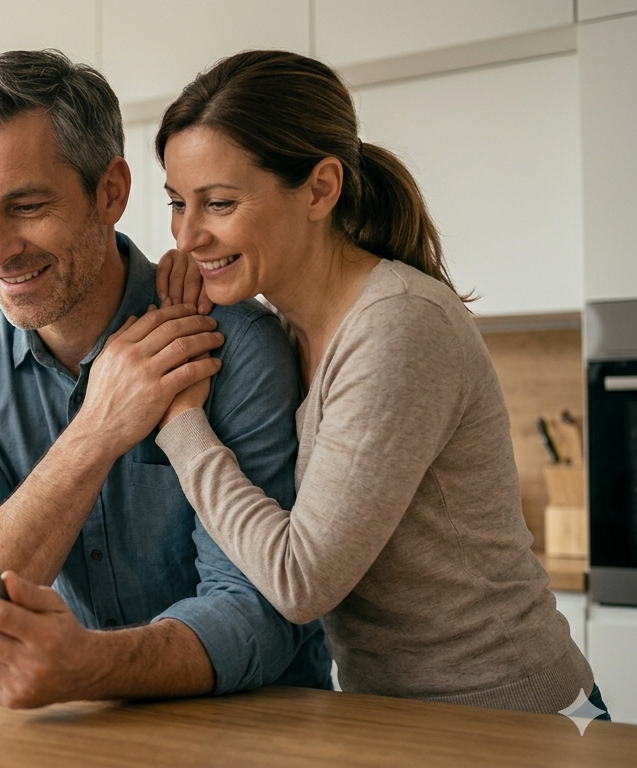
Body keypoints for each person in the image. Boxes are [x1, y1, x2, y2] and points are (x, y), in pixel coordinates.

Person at [146, 49, 605, 717]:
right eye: (176, 203)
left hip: (519, 718)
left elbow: (299, 581)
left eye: (218, 203)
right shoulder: (291, 328)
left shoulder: (397, 326)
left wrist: (180, 422)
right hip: (403, 717)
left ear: (320, 189)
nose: (187, 236)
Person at [0, 49, 330, 709]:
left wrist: (85, 668)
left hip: (256, 730)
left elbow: (260, 614)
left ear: (110, 192)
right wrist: (98, 430)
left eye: (27, 206)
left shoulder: (236, 344)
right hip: (72, 725)